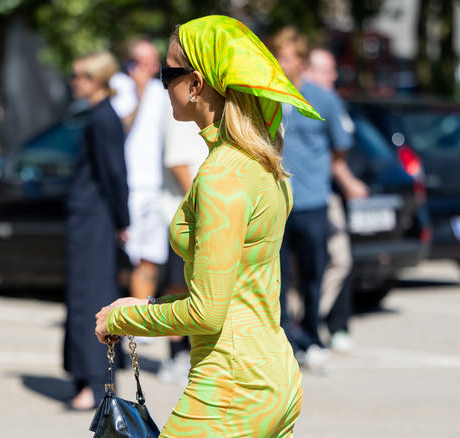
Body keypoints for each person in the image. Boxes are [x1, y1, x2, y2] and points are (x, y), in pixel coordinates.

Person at [95, 15, 323, 436]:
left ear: (196, 85)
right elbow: (230, 292)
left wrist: (124, 319)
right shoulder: (261, 161)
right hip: (274, 377)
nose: (162, 84)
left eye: (168, 73)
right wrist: (144, 306)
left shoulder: (222, 174)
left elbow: (206, 311)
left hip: (230, 389)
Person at [270, 28, 367, 374]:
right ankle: (285, 343)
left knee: (313, 275)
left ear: (300, 61)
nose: (281, 63)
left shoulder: (321, 98)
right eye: (276, 56)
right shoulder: (265, 97)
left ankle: (313, 337)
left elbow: (341, 144)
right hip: (276, 204)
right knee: (278, 278)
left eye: (286, 57)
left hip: (312, 201)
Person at [64, 50, 130, 411]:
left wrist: (123, 220)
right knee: (82, 297)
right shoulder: (97, 115)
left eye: (81, 76)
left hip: (96, 220)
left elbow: (115, 174)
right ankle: (86, 378)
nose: (74, 82)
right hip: (89, 218)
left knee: (91, 299)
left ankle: (95, 383)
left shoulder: (104, 117)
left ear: (98, 79)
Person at [305, 47, 369, 352]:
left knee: (339, 259)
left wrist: (347, 182)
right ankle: (302, 323)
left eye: (332, 70)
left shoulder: (330, 102)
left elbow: (339, 151)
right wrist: (348, 181)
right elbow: (336, 159)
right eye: (324, 70)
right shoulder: (296, 102)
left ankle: (317, 319)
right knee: (304, 267)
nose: (331, 76)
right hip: (301, 199)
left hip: (325, 197)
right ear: (307, 71)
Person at [155, 112, 207, 386]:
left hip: (202, 214)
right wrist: (202, 205)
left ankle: (188, 353)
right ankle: (175, 355)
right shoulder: (179, 112)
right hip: (183, 215)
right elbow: (177, 163)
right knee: (177, 287)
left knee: (195, 287)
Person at [118, 37, 171, 301]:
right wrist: (138, 94)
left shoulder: (160, 93)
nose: (151, 67)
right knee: (128, 257)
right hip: (130, 188)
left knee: (151, 256)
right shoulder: (119, 88)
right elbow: (121, 128)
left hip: (156, 187)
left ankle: (140, 322)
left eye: (154, 62)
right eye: (145, 62)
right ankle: (122, 316)